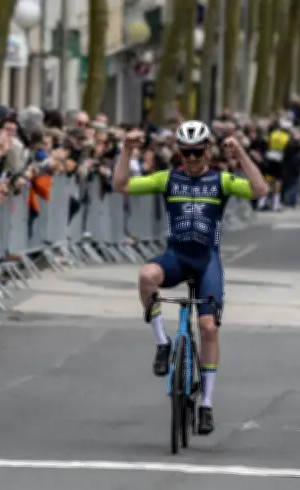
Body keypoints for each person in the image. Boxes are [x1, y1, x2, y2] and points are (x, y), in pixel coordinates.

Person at [112, 120, 269, 435]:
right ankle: (162, 343)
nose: (193, 158)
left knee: (208, 327)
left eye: (198, 152)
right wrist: (127, 150)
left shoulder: (221, 180)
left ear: (208, 150)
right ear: (180, 152)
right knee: (146, 275)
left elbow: (260, 190)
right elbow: (122, 185)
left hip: (206, 261)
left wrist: (240, 153)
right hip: (176, 257)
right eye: (187, 152)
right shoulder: (168, 178)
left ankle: (207, 404)